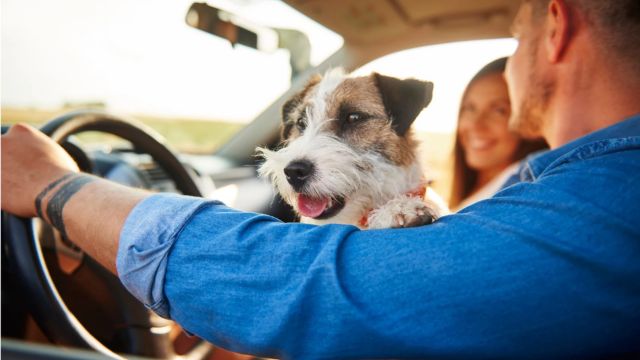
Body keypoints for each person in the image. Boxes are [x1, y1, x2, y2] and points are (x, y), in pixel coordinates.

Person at [2, 0, 640, 358]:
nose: (506, 67)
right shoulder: (556, 190)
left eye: (516, 31)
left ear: (555, 26)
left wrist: (58, 189)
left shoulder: (603, 209)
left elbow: (330, 285)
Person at [450, 57, 547, 210]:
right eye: (470, 108)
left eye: (498, 111)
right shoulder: (481, 190)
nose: (476, 125)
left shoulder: (520, 190)